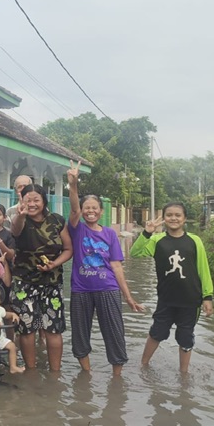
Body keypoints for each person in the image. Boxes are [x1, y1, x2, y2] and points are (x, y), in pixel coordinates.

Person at [67, 160, 145, 376]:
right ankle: (87, 375)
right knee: (80, 334)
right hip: (81, 290)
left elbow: (117, 267)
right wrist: (73, 185)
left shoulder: (110, 233)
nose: (90, 211)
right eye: (86, 208)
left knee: (114, 332)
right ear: (82, 211)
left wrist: (128, 297)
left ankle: (117, 379)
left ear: (101, 211)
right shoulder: (77, 229)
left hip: (108, 289)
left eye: (94, 208)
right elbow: (73, 208)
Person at [130, 202, 214, 373]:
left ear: (184, 219)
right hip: (166, 299)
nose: (173, 218)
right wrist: (147, 232)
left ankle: (184, 374)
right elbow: (135, 253)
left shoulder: (194, 241)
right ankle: (143, 366)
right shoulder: (156, 240)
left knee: (185, 338)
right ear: (164, 218)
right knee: (157, 333)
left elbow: (203, 269)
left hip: (191, 300)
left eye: (178, 215)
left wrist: (208, 297)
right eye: (169, 215)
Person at [10, 183, 73, 371]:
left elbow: (69, 249)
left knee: (53, 329)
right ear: (21, 201)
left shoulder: (57, 220)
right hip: (24, 284)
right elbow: (15, 230)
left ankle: (55, 373)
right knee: (27, 329)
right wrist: (20, 215)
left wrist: (54, 264)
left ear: (44, 201)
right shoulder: (19, 219)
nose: (32, 204)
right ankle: (31, 372)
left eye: (36, 199)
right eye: (27, 199)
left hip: (51, 283)